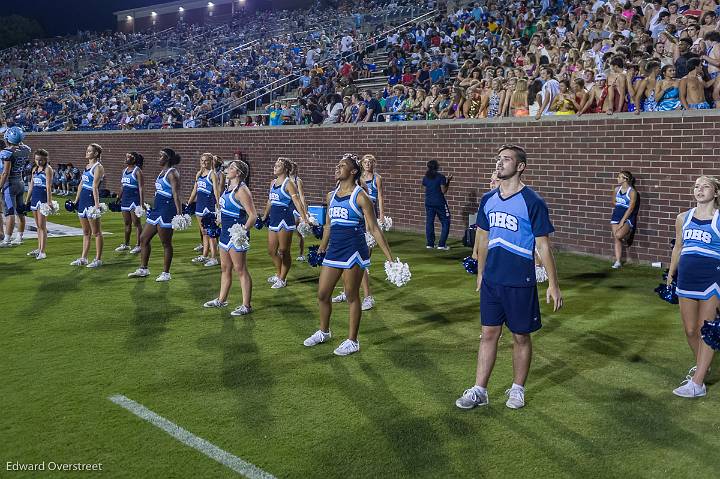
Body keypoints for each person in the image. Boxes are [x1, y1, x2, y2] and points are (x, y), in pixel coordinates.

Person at [456, 144, 563, 410]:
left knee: (520, 336)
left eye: (506, 159)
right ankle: (480, 389)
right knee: (488, 334)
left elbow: (543, 246)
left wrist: (553, 283)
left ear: (520, 166)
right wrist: (480, 273)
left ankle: (517, 389)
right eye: (498, 159)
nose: (500, 163)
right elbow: (482, 237)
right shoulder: (488, 199)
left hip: (520, 281)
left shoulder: (533, 201)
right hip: (492, 280)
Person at [303, 154, 394, 356]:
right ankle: (324, 332)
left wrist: (389, 257)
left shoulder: (360, 196)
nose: (337, 168)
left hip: (354, 249)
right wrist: (321, 248)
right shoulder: (331, 195)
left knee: (352, 296)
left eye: (342, 165)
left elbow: (373, 228)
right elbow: (328, 225)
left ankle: (352, 341)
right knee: (323, 294)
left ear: (353, 171)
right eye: (337, 165)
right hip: (334, 249)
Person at [666, 176, 720, 398]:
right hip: (686, 279)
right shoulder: (683, 218)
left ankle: (697, 383)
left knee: (706, 329)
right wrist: (671, 274)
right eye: (697, 186)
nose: (699, 190)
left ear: (716, 193)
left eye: (705, 186)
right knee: (690, 330)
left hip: (712, 280)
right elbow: (678, 247)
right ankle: (702, 367)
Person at [203, 160, 258, 316]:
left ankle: (246, 305)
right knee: (225, 268)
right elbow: (227, 210)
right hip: (225, 234)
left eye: (231, 168)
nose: (227, 169)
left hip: (236, 236)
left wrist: (243, 231)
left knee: (240, 269)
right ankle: (221, 300)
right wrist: (218, 219)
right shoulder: (228, 188)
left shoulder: (242, 191)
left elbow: (253, 215)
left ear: (238, 173)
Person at [333, 154, 386, 311]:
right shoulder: (340, 183)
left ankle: (368, 297)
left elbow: (364, 208)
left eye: (343, 165)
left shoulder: (361, 185)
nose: (339, 168)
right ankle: (346, 291)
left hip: (360, 226)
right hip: (344, 230)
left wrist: (371, 227)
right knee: (344, 263)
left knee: (360, 265)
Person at [128, 148, 182, 282]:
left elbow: (176, 195)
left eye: (161, 156)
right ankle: (143, 269)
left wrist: (179, 214)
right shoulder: (162, 172)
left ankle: (166, 273)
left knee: (166, 243)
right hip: (157, 210)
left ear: (167, 158)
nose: (159, 158)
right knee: (143, 238)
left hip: (167, 211)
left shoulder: (172, 173)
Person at [260, 157, 308, 289]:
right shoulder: (273, 182)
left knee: (283, 250)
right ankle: (278, 272)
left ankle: (282, 278)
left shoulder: (289, 184)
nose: (275, 167)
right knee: (271, 251)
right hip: (273, 219)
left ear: (285, 169)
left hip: (285, 220)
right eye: (275, 165)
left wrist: (304, 218)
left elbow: (297, 202)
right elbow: (270, 201)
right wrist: (265, 215)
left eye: (278, 165)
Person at [71, 143, 105, 268]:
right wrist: (76, 200)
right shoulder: (87, 166)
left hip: (91, 199)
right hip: (83, 200)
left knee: (96, 232)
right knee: (86, 232)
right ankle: (83, 258)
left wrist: (96, 205)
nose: (87, 152)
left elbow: (95, 187)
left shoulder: (98, 167)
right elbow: (81, 184)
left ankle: (98, 259)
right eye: (87, 150)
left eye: (89, 151)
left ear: (96, 153)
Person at [187, 153, 221, 267]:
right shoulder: (199, 174)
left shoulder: (213, 174)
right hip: (199, 206)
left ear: (211, 161)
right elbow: (194, 190)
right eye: (202, 160)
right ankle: (205, 255)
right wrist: (188, 203)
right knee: (204, 232)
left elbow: (216, 190)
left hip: (209, 206)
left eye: (206, 160)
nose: (203, 162)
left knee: (211, 233)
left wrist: (218, 206)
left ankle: (214, 258)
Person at [0, 127, 31, 247]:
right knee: (20, 211)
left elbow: (5, 173)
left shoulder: (6, 152)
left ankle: (7, 239)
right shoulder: (26, 149)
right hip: (20, 181)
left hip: (10, 183)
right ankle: (19, 236)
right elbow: (21, 145)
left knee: (10, 212)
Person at [25, 149, 53, 260]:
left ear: (46, 159)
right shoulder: (34, 169)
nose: (38, 162)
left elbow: (48, 187)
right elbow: (31, 186)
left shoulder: (48, 169)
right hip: (35, 198)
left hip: (43, 198)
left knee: (42, 226)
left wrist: (49, 201)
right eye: (36, 159)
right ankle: (38, 248)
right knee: (38, 226)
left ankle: (42, 251)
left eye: (41, 160)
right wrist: (27, 200)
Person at [115, 152, 145, 254]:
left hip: (134, 200)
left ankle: (139, 245)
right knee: (127, 223)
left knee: (136, 223)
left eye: (128, 157)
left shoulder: (137, 171)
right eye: (126, 156)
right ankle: (126, 244)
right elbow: (122, 186)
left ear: (134, 160)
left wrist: (141, 204)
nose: (126, 158)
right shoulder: (124, 171)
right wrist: (118, 197)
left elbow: (141, 188)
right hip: (125, 200)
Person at [610, 171, 639, 269]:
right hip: (616, 215)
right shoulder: (616, 189)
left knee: (619, 235)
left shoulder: (632, 192)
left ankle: (628, 234)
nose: (617, 179)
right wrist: (619, 207)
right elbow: (613, 201)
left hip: (627, 216)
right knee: (616, 238)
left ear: (625, 179)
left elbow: (631, 208)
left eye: (619, 177)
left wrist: (623, 220)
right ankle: (618, 261)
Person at [422, 160, 452, 250]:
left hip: (428, 202)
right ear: (437, 167)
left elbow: (425, 189)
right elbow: (443, 191)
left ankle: (430, 244)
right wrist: (448, 181)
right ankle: (441, 244)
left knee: (429, 222)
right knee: (446, 221)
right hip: (439, 202)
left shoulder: (425, 177)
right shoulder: (441, 177)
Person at [289, 161, 308, 262]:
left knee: (299, 232)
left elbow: (302, 196)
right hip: (287, 207)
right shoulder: (285, 181)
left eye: (294, 168)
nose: (292, 170)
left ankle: (301, 254)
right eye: (290, 167)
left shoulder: (298, 181)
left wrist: (304, 211)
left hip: (296, 208)